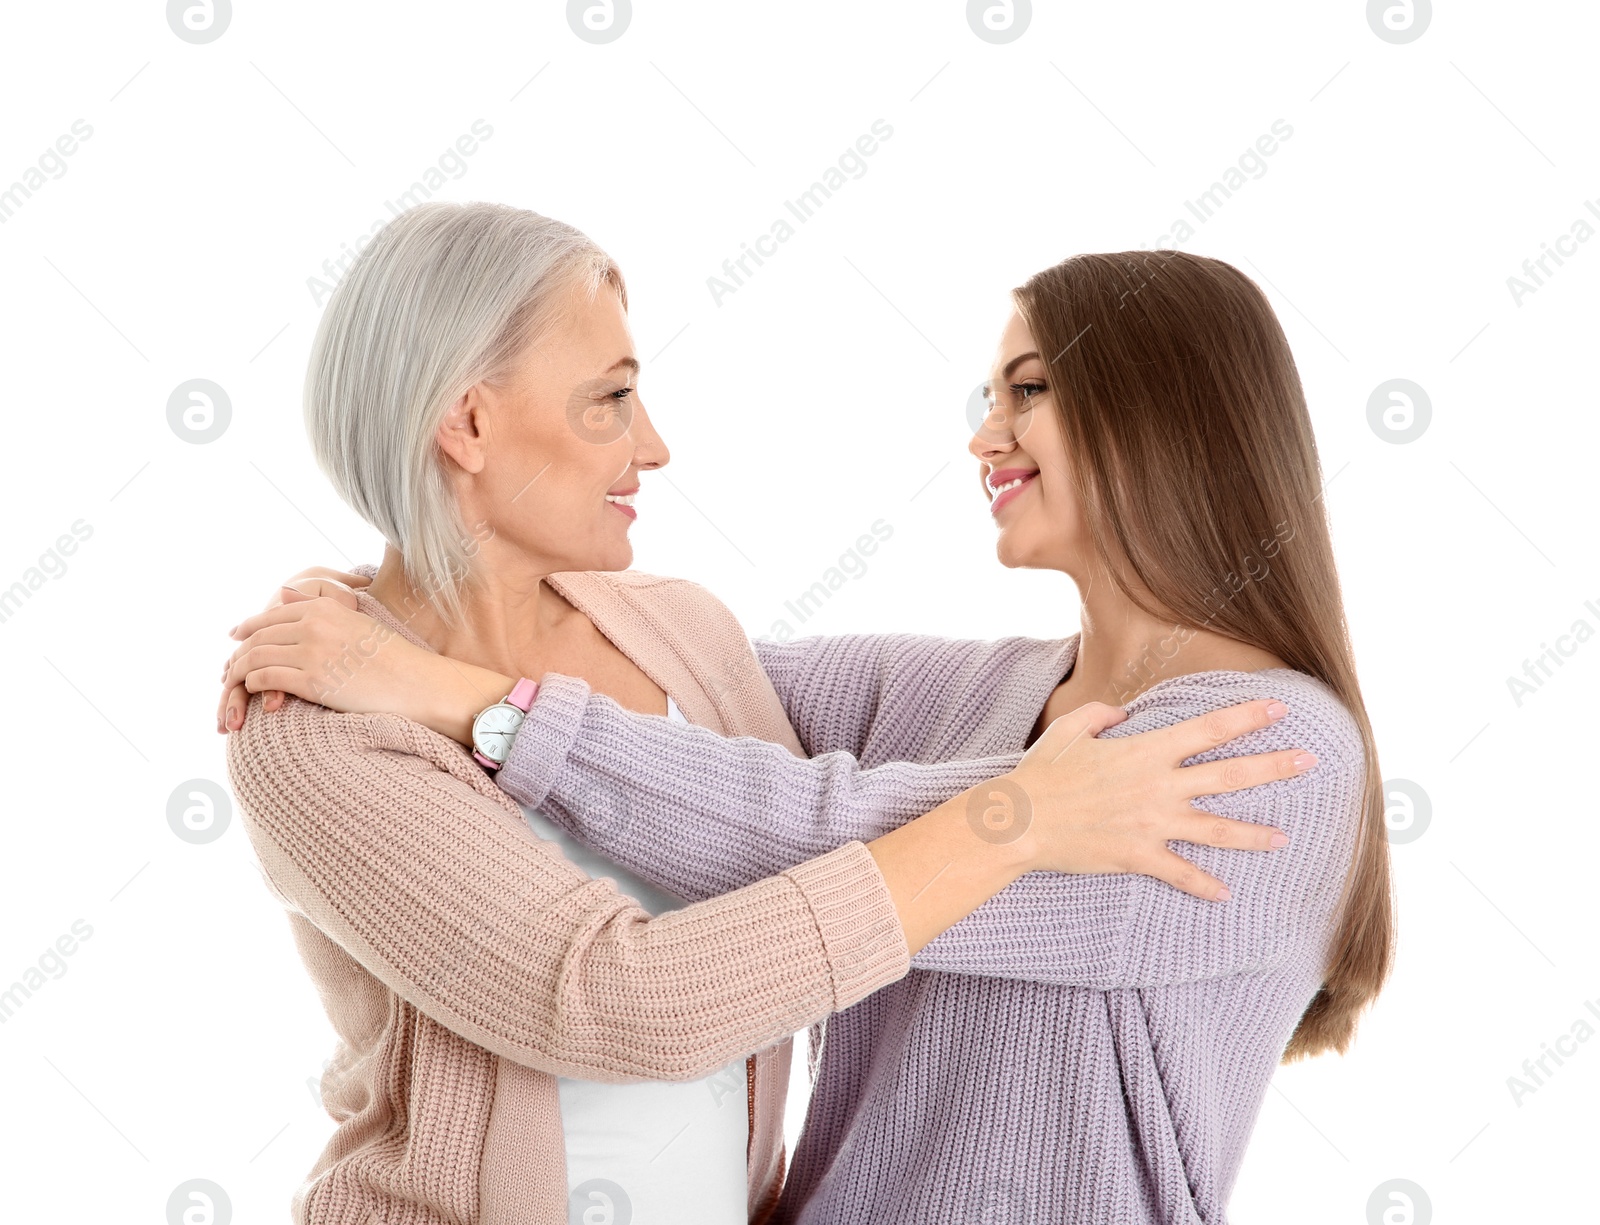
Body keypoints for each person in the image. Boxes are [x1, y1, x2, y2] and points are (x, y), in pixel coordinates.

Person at [218, 203, 1306, 1225]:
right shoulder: (314, 724)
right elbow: (611, 1000)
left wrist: (445, 686)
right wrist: (1016, 817)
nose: (653, 446)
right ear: (467, 423)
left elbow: (762, 810)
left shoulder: (677, 629)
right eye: (610, 398)